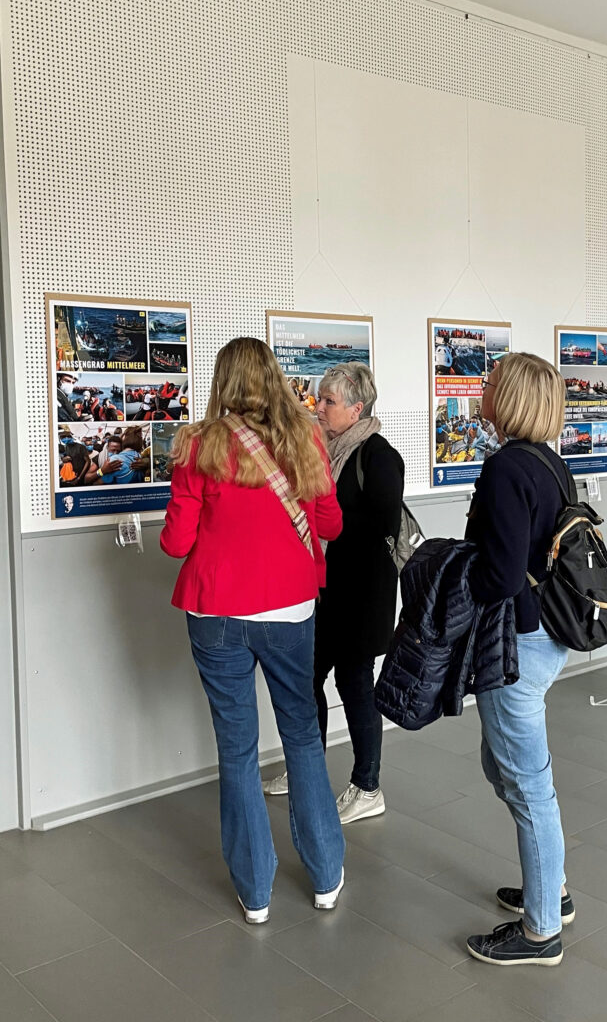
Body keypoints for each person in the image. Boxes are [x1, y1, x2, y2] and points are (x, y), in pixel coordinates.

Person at [160, 336, 345, 922]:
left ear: (222, 381)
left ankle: (256, 891)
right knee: (303, 737)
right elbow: (331, 526)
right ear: (272, 377)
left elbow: (176, 543)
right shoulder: (307, 436)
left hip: (216, 612)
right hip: (290, 608)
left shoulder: (195, 444)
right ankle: (324, 877)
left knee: (237, 749)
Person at [463, 352, 573, 967]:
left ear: (509, 398)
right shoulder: (550, 463)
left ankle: (541, 931)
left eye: (491, 383)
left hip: (518, 640)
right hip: (545, 634)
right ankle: (548, 884)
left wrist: (455, 576)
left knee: (529, 786)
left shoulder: (507, 467)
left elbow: (501, 574)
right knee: (502, 766)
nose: (483, 391)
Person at [264, 363, 405, 826]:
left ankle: (368, 785)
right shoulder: (317, 449)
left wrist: (326, 519)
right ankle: (307, 766)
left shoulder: (380, 456)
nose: (318, 407)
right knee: (306, 678)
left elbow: (381, 527)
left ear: (356, 408)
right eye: (318, 399)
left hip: (363, 593)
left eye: (328, 401)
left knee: (354, 684)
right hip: (323, 586)